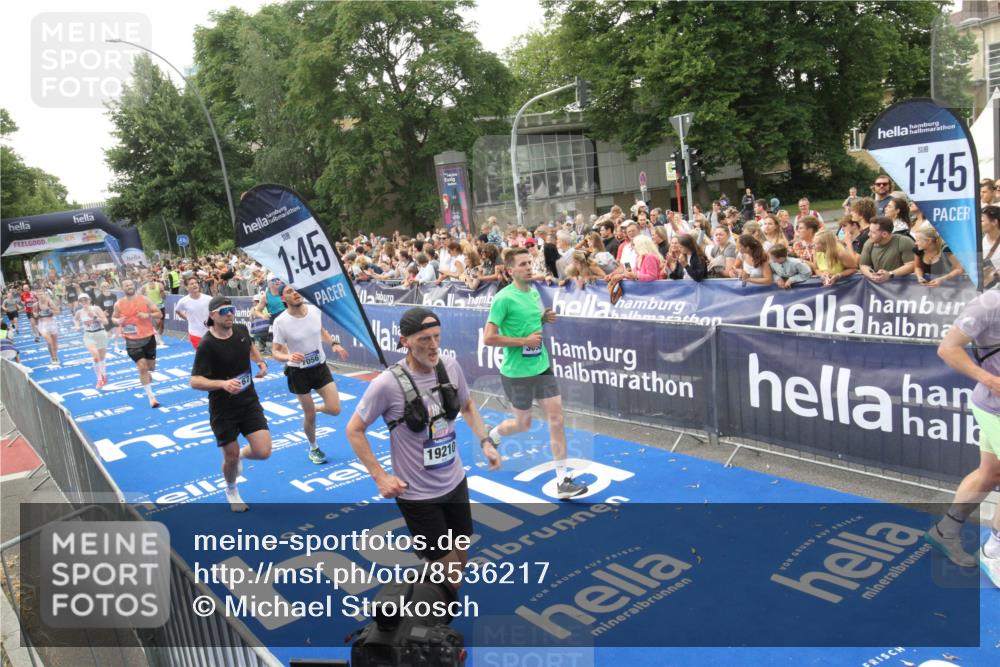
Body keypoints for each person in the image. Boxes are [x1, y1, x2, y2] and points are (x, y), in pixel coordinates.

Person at [346, 307, 501, 592]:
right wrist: (380, 477)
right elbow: (354, 430)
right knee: (452, 577)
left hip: (454, 482)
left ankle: (415, 600)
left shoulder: (450, 365)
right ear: (404, 341)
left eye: (437, 337)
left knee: (459, 562)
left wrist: (485, 441)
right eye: (424, 339)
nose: (433, 346)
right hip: (419, 496)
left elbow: (466, 406)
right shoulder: (386, 384)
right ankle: (422, 626)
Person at [482, 248, 589, 500]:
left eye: (530, 262)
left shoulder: (532, 292)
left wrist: (543, 318)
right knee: (523, 424)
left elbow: (529, 324)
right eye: (522, 264)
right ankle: (493, 436)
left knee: (557, 419)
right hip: (516, 372)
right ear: (510, 271)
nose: (529, 267)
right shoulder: (503, 298)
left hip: (541, 366)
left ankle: (563, 480)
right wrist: (523, 341)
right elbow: (488, 337)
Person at [925, 291, 1000, 587]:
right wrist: (991, 380)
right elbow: (948, 349)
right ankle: (994, 551)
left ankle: (946, 530)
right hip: (994, 407)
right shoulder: (990, 303)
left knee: (990, 473)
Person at [190, 296, 272, 513]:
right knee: (230, 456)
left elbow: (250, 346)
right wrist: (223, 384)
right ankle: (231, 489)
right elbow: (195, 381)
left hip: (249, 402)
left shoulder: (241, 330)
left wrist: (260, 361)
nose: (229, 314)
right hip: (223, 408)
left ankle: (242, 455)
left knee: (263, 452)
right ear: (212, 315)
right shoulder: (207, 344)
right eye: (224, 311)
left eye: (231, 309)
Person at [271, 285, 349, 465]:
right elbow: (275, 352)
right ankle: (313, 447)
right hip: (298, 372)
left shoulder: (314, 310)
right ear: (284, 299)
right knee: (310, 417)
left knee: (335, 409)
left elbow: (320, 330)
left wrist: (334, 343)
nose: (295, 293)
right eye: (289, 292)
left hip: (319, 367)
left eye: (296, 290)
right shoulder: (280, 321)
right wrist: (288, 356)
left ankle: (314, 408)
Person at [112, 279, 163, 408]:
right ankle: (151, 398)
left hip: (148, 338)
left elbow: (159, 314)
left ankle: (147, 374)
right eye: (126, 285)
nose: (129, 286)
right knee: (142, 367)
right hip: (131, 340)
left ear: (134, 286)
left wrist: (147, 315)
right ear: (122, 288)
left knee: (150, 368)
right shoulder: (119, 304)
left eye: (130, 284)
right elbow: (113, 318)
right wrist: (118, 321)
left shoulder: (145, 300)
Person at [858, 217, 916, 283]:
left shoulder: (904, 241)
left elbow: (912, 265)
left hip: (902, 285)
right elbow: (863, 265)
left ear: (884, 234)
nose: (869, 234)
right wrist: (872, 275)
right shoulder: (869, 243)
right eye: (869, 231)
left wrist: (890, 274)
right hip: (880, 286)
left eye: (873, 232)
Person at [73, 293, 110, 387]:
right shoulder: (79, 312)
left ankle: (104, 375)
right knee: (95, 357)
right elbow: (76, 319)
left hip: (100, 334)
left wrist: (94, 317)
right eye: (82, 300)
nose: (84, 302)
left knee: (101, 358)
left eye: (86, 300)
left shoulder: (96, 309)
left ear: (89, 300)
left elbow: (105, 321)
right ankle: (99, 379)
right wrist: (77, 326)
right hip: (88, 335)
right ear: (79, 302)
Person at [175, 276, 211, 349]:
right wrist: (186, 318)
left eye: (196, 283)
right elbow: (177, 310)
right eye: (191, 284)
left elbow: (214, 312)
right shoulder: (183, 301)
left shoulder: (208, 299)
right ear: (186, 287)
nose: (195, 285)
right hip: (195, 334)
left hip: (210, 332)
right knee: (202, 356)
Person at [34, 291, 61, 366]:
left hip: (52, 324)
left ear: (45, 295)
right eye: (39, 294)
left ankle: (55, 356)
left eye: (41, 294)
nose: (40, 295)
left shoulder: (50, 302)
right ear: (37, 296)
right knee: (49, 342)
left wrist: (51, 310)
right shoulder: (35, 305)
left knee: (54, 343)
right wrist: (37, 315)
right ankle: (53, 358)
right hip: (43, 325)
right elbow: (34, 315)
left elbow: (58, 311)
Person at [141, 273, 167, 345]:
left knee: (161, 324)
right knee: (157, 323)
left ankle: (158, 337)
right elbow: (141, 298)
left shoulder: (159, 285)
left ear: (153, 277)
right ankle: (157, 338)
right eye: (147, 276)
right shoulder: (144, 287)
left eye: (150, 276)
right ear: (145, 278)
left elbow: (164, 297)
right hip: (152, 308)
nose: (149, 277)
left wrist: (162, 292)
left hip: (161, 306)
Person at [96, 283, 120, 353]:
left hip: (114, 316)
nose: (106, 287)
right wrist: (102, 313)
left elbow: (116, 305)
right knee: (109, 334)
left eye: (107, 286)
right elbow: (97, 309)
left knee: (118, 329)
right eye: (104, 286)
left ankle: (116, 346)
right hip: (105, 318)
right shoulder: (99, 298)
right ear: (101, 288)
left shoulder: (114, 295)